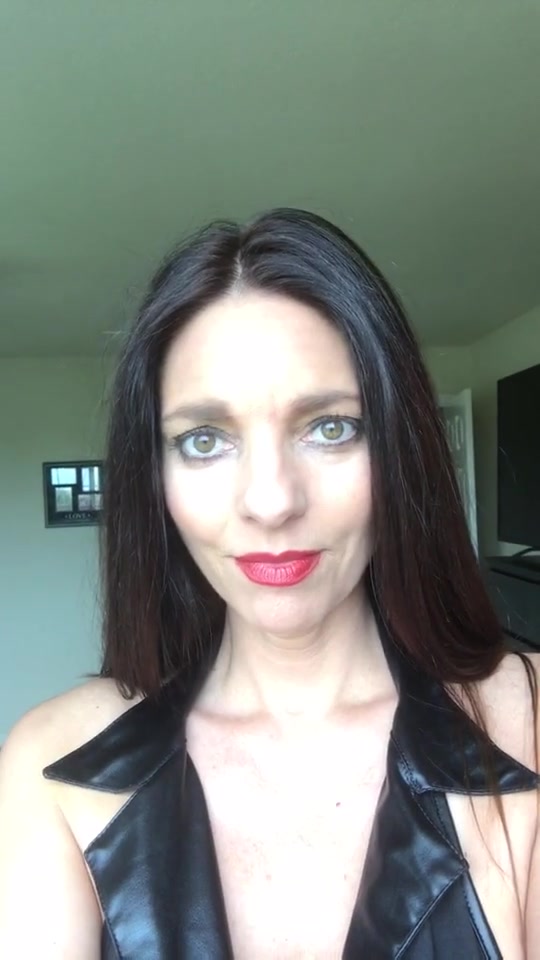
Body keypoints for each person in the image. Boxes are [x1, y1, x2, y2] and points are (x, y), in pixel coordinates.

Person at [0, 208, 538, 959]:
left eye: (330, 427)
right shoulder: (54, 765)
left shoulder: (526, 721)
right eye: (204, 439)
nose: (272, 501)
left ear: (399, 448)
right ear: (155, 479)